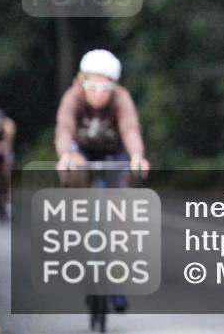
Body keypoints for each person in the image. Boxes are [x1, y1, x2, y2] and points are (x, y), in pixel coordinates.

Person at [55, 49, 149, 313]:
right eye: (92, 86)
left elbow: (130, 127)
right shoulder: (72, 98)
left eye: (105, 87)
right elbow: (64, 128)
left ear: (114, 85)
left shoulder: (121, 99)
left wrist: (137, 157)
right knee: (73, 173)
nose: (99, 93)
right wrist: (66, 156)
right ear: (82, 81)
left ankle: (116, 283)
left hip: (113, 152)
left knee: (120, 204)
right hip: (81, 151)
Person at [0, 108, 16, 221]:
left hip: (5, 155)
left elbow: (8, 143)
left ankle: (7, 203)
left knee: (6, 180)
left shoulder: (8, 124)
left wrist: (6, 159)